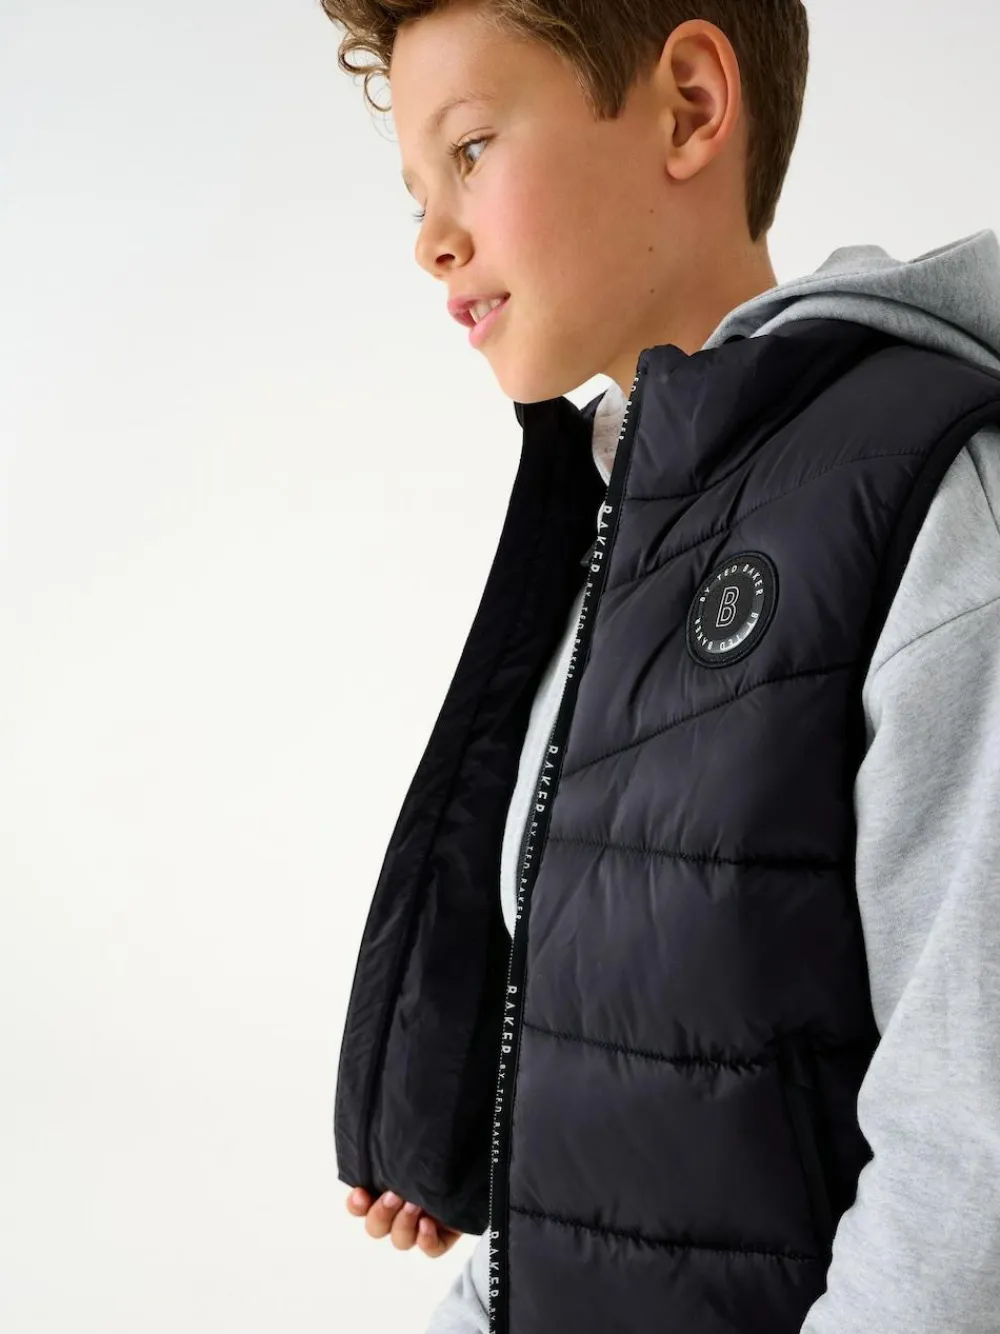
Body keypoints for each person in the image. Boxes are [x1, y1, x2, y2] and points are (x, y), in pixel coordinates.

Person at [322, 1, 1000, 1330]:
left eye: (470, 151)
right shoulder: (610, 539)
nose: (430, 239)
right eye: (415, 189)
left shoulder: (928, 503)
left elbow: (967, 1160)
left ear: (689, 104)